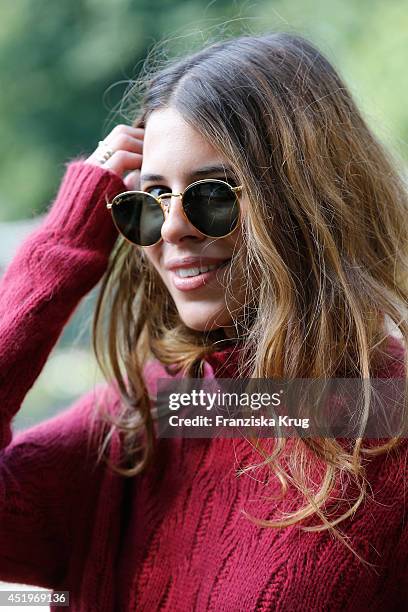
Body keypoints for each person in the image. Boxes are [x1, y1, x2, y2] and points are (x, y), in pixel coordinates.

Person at [0, 31, 407, 612]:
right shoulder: (154, 416)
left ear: (305, 197)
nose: (170, 230)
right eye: (152, 198)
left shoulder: (391, 415)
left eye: (212, 193)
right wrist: (61, 247)